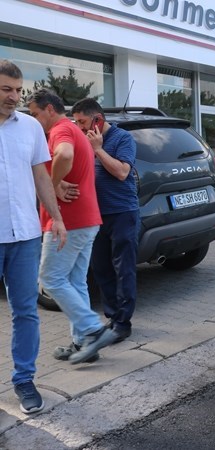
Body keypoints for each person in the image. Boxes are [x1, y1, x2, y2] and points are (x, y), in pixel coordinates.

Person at [27, 89, 118, 365]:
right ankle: (83, 342)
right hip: (87, 219)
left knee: (50, 278)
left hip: (69, 222)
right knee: (76, 282)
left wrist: (51, 186)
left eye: (35, 114)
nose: (34, 119)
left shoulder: (60, 131)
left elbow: (64, 155)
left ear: (50, 110)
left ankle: (93, 329)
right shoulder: (75, 130)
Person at [0, 60, 67, 414]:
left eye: (18, 90)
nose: (14, 97)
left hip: (25, 234)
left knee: (26, 311)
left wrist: (56, 217)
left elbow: (41, 176)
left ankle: (24, 379)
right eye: (6, 89)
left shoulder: (29, 127)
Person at [71, 98, 139, 344]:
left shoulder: (122, 139)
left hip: (122, 213)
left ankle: (123, 323)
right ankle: (112, 317)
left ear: (98, 119)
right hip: (94, 215)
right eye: (75, 121)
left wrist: (98, 149)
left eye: (82, 121)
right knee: (101, 268)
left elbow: (122, 172)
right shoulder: (83, 139)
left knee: (124, 269)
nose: (78, 127)